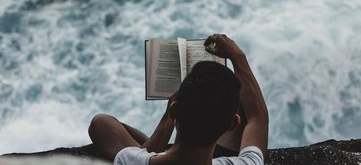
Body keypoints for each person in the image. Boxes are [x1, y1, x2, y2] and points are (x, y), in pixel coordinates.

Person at [88, 34, 269, 165]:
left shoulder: (129, 160)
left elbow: (102, 124)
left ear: (175, 111)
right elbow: (257, 118)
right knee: (238, 103)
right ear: (232, 123)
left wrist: (169, 116)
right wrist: (238, 57)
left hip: (163, 148)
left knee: (102, 123)